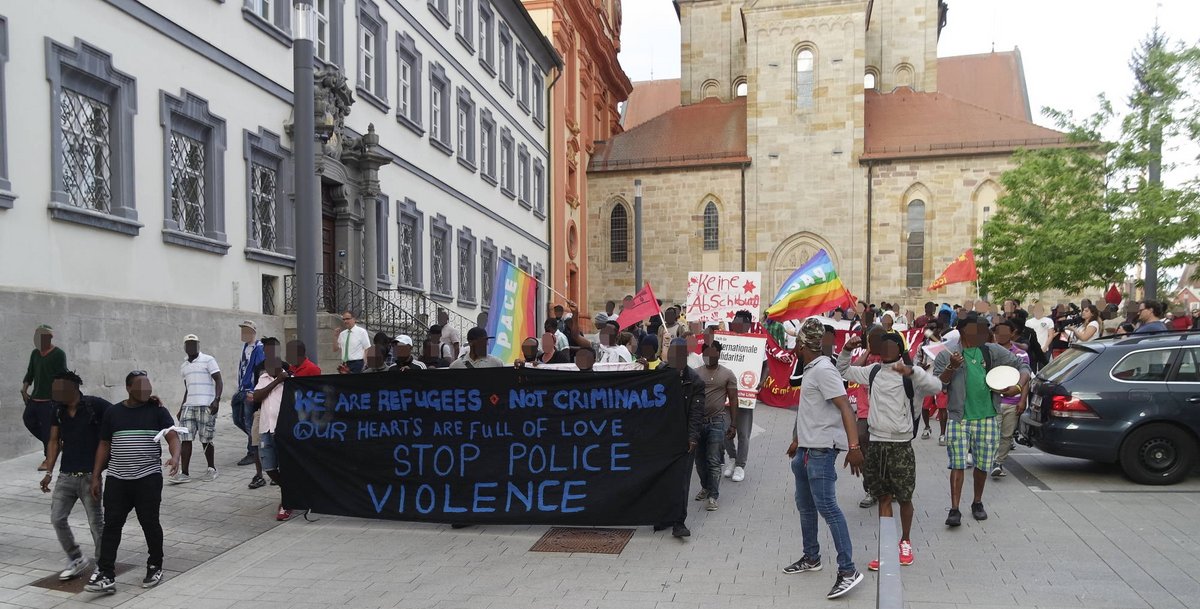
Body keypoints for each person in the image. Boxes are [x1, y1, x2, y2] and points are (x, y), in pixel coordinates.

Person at [837, 333, 939, 570]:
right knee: (882, 496)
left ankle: (905, 541)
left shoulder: (910, 374)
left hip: (901, 444)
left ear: (900, 348)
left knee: (904, 497)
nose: (887, 349)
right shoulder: (872, 371)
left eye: (892, 345)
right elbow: (843, 370)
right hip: (877, 443)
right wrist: (845, 349)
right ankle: (885, 550)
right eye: (884, 345)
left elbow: (936, 386)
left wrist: (913, 372)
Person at [782, 318, 866, 600]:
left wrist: (853, 446)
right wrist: (797, 441)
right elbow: (811, 411)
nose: (794, 345)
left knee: (828, 508)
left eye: (796, 341)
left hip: (821, 451)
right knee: (805, 507)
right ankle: (811, 557)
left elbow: (845, 407)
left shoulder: (823, 370)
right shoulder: (812, 368)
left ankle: (848, 570)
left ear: (803, 344)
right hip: (806, 449)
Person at [86, 371, 181, 594]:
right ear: (128, 388)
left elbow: (172, 435)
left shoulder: (157, 410)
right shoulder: (113, 412)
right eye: (141, 385)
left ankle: (155, 565)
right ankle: (106, 574)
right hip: (118, 479)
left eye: (148, 385)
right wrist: (96, 475)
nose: (146, 389)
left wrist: (175, 457)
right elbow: (104, 444)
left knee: (149, 522)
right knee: (111, 526)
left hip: (147, 477)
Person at [932, 314, 1031, 527]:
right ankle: (954, 509)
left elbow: (1023, 366)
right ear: (961, 330)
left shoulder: (991, 351)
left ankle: (977, 502)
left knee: (982, 465)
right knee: (957, 465)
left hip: (987, 417)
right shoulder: (946, 355)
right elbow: (939, 385)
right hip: (959, 418)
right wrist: (951, 366)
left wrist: (1018, 387)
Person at [41, 371, 110, 582]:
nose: (56, 393)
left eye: (59, 388)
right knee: (57, 518)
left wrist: (150, 402)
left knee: (96, 523)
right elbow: (54, 440)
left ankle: (103, 566)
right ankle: (76, 558)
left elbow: (119, 413)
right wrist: (49, 471)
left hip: (91, 476)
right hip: (66, 476)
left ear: (73, 387)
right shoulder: (58, 410)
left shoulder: (94, 405)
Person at [652, 338, 705, 538]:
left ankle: (679, 521)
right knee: (662, 477)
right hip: (662, 436)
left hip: (683, 437)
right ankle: (663, 516)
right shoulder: (660, 374)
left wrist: (692, 437)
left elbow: (696, 413)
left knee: (682, 480)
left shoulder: (695, 381)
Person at [693, 342, 738, 511]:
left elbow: (733, 399)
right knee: (699, 460)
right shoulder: (696, 374)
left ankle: (713, 496)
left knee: (713, 460)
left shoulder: (727, 374)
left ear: (719, 353)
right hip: (697, 423)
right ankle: (705, 487)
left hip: (717, 422)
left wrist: (733, 424)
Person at [174, 334, 222, 484]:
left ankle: (211, 468)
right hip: (189, 406)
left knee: (206, 438)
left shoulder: (208, 360)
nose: (191, 346)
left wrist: (216, 400)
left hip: (206, 405)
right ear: (184, 347)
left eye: (194, 344)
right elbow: (187, 388)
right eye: (188, 344)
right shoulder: (184, 366)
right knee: (186, 439)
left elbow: (219, 380)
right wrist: (182, 407)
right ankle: (185, 473)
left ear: (198, 345)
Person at [252, 350, 292, 521]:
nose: (268, 369)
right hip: (266, 428)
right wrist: (276, 380)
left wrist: (283, 379)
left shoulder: (289, 381)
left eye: (271, 366)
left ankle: (286, 502)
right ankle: (293, 490)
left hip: (282, 429)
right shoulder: (264, 379)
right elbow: (257, 396)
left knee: (285, 466)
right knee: (269, 467)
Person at [24, 324, 69, 465]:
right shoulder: (35, 353)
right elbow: (30, 372)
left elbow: (63, 374)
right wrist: (24, 389)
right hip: (35, 397)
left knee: (47, 428)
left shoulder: (58, 354)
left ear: (50, 337)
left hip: (50, 399)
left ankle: (48, 458)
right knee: (28, 420)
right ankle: (56, 443)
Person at [990, 321, 1029, 478]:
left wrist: (1022, 400)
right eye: (998, 332)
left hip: (1013, 402)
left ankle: (998, 463)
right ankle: (989, 460)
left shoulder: (1020, 354)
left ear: (1013, 333)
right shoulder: (989, 352)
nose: (1001, 335)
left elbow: (1025, 377)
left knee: (1006, 435)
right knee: (993, 434)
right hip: (994, 401)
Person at [232, 320, 265, 467]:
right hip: (242, 389)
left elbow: (259, 369)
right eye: (242, 330)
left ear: (253, 332)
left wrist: (255, 389)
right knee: (238, 419)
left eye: (246, 330)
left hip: (250, 390)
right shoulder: (245, 347)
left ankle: (252, 451)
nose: (243, 333)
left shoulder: (259, 348)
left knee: (248, 421)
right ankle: (257, 441)